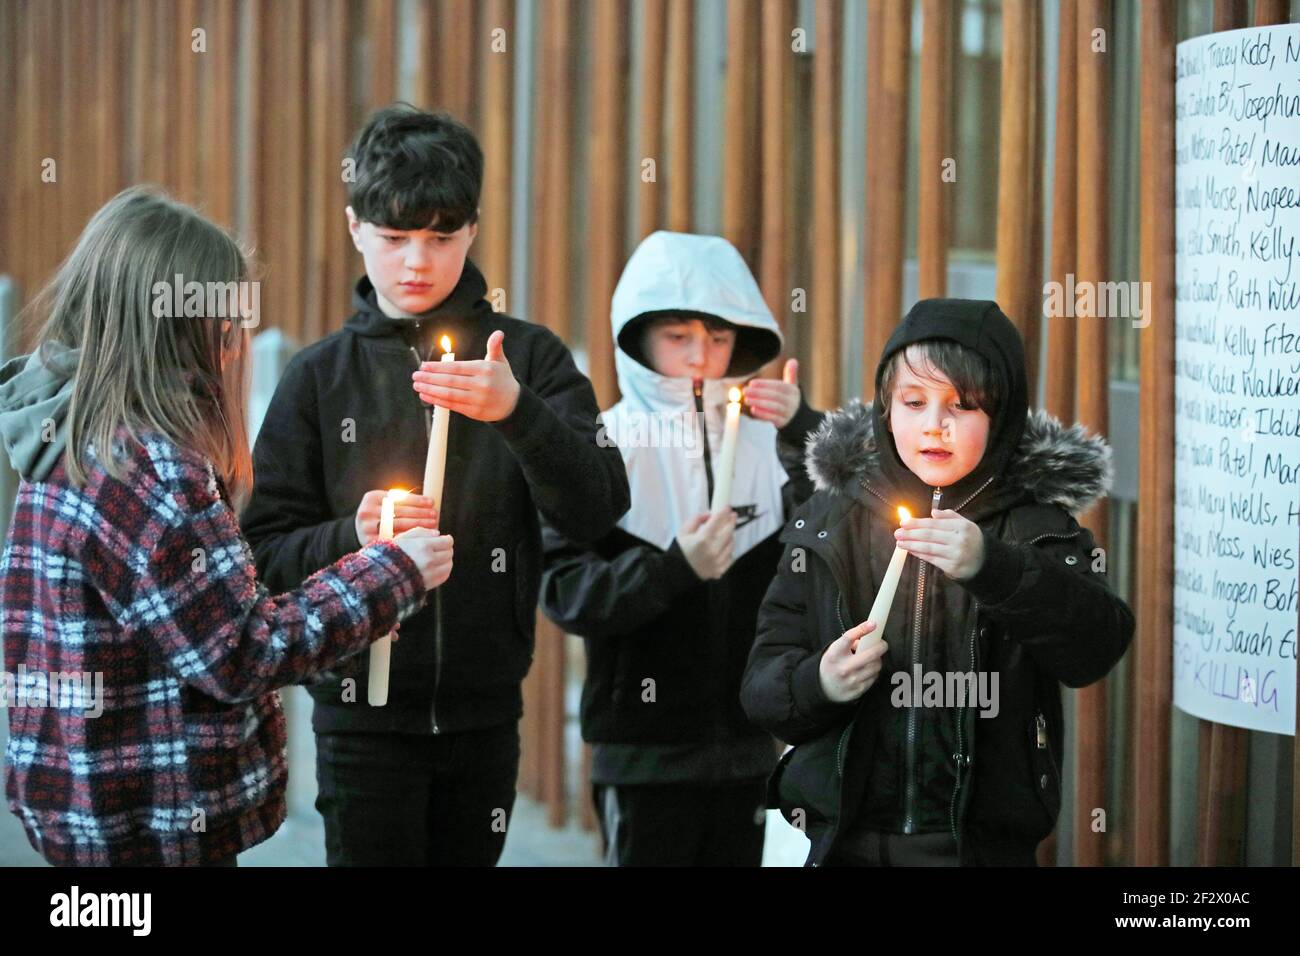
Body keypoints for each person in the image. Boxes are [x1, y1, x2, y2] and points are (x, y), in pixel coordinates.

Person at [0, 187, 450, 866]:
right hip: (156, 819)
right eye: (229, 318)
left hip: (83, 810)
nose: (237, 340)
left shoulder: (63, 431)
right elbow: (242, 652)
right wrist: (394, 572)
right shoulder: (150, 471)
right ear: (183, 324)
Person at [240, 104, 630, 866]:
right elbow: (260, 556)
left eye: (441, 237)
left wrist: (518, 414)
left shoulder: (529, 358)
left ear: (474, 231)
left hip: (484, 712)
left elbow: (599, 508)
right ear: (355, 228)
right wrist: (353, 535)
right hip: (357, 715)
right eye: (394, 238)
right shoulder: (319, 378)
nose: (417, 261)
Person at [741, 298, 1134, 866]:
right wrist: (819, 682)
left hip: (979, 852)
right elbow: (761, 685)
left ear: (1002, 418)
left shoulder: (1035, 526)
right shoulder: (833, 520)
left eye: (963, 406)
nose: (935, 425)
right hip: (844, 847)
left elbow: (1097, 645)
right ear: (885, 407)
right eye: (914, 401)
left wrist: (994, 568)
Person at [540, 231, 825, 865]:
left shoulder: (772, 445)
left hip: (750, 749)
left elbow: (842, 539)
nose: (701, 356)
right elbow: (565, 590)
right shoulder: (601, 444)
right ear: (637, 338)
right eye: (678, 336)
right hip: (643, 755)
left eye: (720, 338)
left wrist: (808, 430)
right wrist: (673, 570)